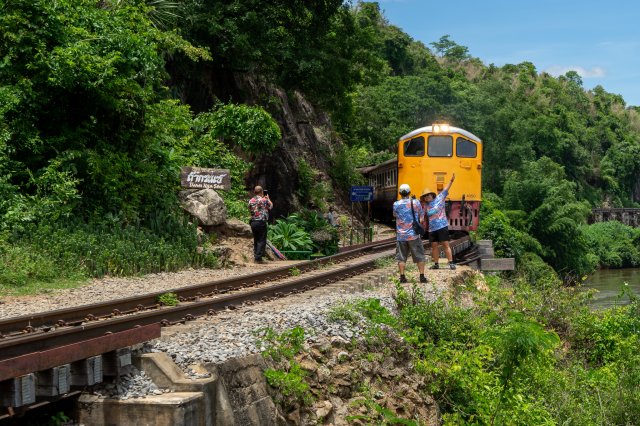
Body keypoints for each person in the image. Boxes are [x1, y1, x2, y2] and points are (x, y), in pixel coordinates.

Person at [392, 183, 427, 283]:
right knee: (419, 255)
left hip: (401, 236)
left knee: (401, 257)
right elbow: (421, 216)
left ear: (400, 193)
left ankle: (402, 277)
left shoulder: (396, 204)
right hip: (414, 235)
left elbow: (394, 215)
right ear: (409, 192)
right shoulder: (416, 202)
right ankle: (421, 276)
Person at [423, 173, 456, 270]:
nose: (426, 197)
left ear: (432, 195)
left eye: (428, 195)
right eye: (425, 196)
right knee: (434, 246)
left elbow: (446, 189)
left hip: (442, 226)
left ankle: (451, 263)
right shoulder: (426, 205)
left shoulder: (440, 198)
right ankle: (436, 264)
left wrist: (451, 181)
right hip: (432, 228)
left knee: (445, 244)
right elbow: (427, 214)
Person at [248, 186, 273, 263]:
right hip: (261, 222)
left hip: (253, 222)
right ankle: (258, 258)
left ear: (254, 192)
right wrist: (268, 198)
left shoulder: (251, 200)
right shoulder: (264, 200)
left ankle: (256, 256)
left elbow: (249, 208)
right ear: (262, 192)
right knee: (261, 240)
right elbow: (271, 206)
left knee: (256, 239)